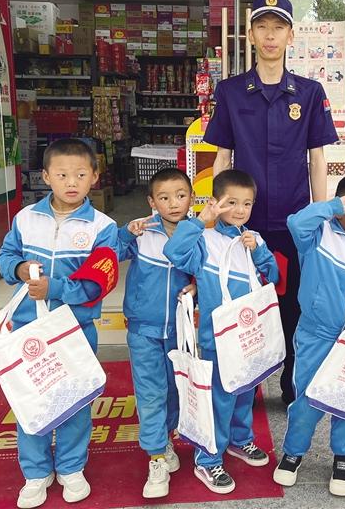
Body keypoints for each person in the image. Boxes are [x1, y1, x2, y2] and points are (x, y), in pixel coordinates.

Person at [203, 0, 339, 406]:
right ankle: (242, 380)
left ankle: (290, 383)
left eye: (278, 27)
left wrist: (321, 216)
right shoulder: (230, 92)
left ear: (290, 36)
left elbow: (317, 158)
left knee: (294, 302)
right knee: (241, 299)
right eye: (262, 27)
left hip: (293, 222)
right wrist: (216, 213)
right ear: (250, 35)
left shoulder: (310, 93)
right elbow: (222, 156)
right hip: (242, 221)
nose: (270, 35)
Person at [0, 138, 118, 509]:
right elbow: (6, 255)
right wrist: (18, 268)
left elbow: (99, 282)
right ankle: (35, 472)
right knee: (31, 399)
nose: (71, 182)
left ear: (94, 176)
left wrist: (56, 288)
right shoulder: (25, 219)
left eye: (80, 174)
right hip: (29, 329)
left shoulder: (103, 227)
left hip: (75, 330)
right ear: (46, 176)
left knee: (75, 400)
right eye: (62, 175)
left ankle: (71, 467)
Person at [163, 169, 280, 494]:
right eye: (231, 202)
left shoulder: (252, 239)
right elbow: (174, 253)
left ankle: (240, 440)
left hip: (249, 337)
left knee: (245, 392)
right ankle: (208, 458)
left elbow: (273, 276)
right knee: (219, 399)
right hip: (217, 338)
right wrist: (202, 220)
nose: (240, 210)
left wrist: (258, 251)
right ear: (215, 202)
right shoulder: (205, 240)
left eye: (247, 203)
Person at [273, 174, 345, 497]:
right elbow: (295, 222)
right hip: (315, 334)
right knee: (307, 399)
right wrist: (334, 206)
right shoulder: (319, 235)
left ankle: (343, 458)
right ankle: (293, 453)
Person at [117, 168, 196, 499]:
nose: (173, 203)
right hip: (143, 330)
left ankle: (166, 438)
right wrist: (126, 233)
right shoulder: (143, 232)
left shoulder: (196, 233)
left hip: (180, 330)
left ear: (191, 197)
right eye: (164, 197)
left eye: (180, 195)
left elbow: (207, 271)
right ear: (152, 202)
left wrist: (196, 287)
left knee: (175, 390)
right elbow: (112, 253)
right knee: (150, 393)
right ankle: (156, 458)